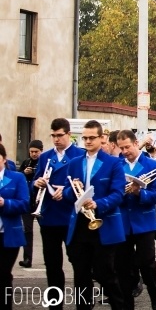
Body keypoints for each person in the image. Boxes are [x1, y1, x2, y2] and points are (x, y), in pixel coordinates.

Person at [61, 120, 127, 310]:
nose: (88, 141)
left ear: (101, 138)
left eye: (91, 138)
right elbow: (66, 191)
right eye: (85, 138)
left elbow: (118, 193)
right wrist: (74, 192)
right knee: (81, 275)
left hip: (104, 223)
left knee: (105, 273)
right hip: (80, 224)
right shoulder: (74, 163)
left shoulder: (113, 163)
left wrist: (98, 203)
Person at [32, 118, 84, 310]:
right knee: (52, 265)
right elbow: (38, 177)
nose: (56, 139)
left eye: (60, 135)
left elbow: (85, 183)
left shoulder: (79, 154)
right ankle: (56, 304)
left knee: (79, 263)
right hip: (50, 216)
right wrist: (36, 183)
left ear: (68, 134)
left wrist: (68, 190)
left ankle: (83, 302)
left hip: (71, 216)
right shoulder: (45, 157)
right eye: (53, 135)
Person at [115, 130, 156, 310]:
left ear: (136, 143)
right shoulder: (116, 165)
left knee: (147, 263)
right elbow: (110, 193)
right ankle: (127, 303)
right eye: (121, 148)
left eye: (127, 147)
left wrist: (139, 192)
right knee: (122, 265)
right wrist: (121, 192)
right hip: (122, 223)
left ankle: (155, 296)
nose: (125, 151)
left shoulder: (152, 165)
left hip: (144, 222)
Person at [0, 142, 30, 310]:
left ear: (4, 159)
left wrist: (5, 203)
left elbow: (25, 204)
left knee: (3, 274)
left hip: (8, 234)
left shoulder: (17, 178)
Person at [18, 139, 43, 268]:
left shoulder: (43, 162)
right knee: (27, 230)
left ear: (41, 151)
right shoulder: (26, 162)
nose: (33, 154)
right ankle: (27, 258)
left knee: (46, 230)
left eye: (36, 152)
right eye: (31, 152)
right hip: (28, 202)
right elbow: (19, 179)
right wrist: (24, 173)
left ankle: (48, 257)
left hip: (40, 202)